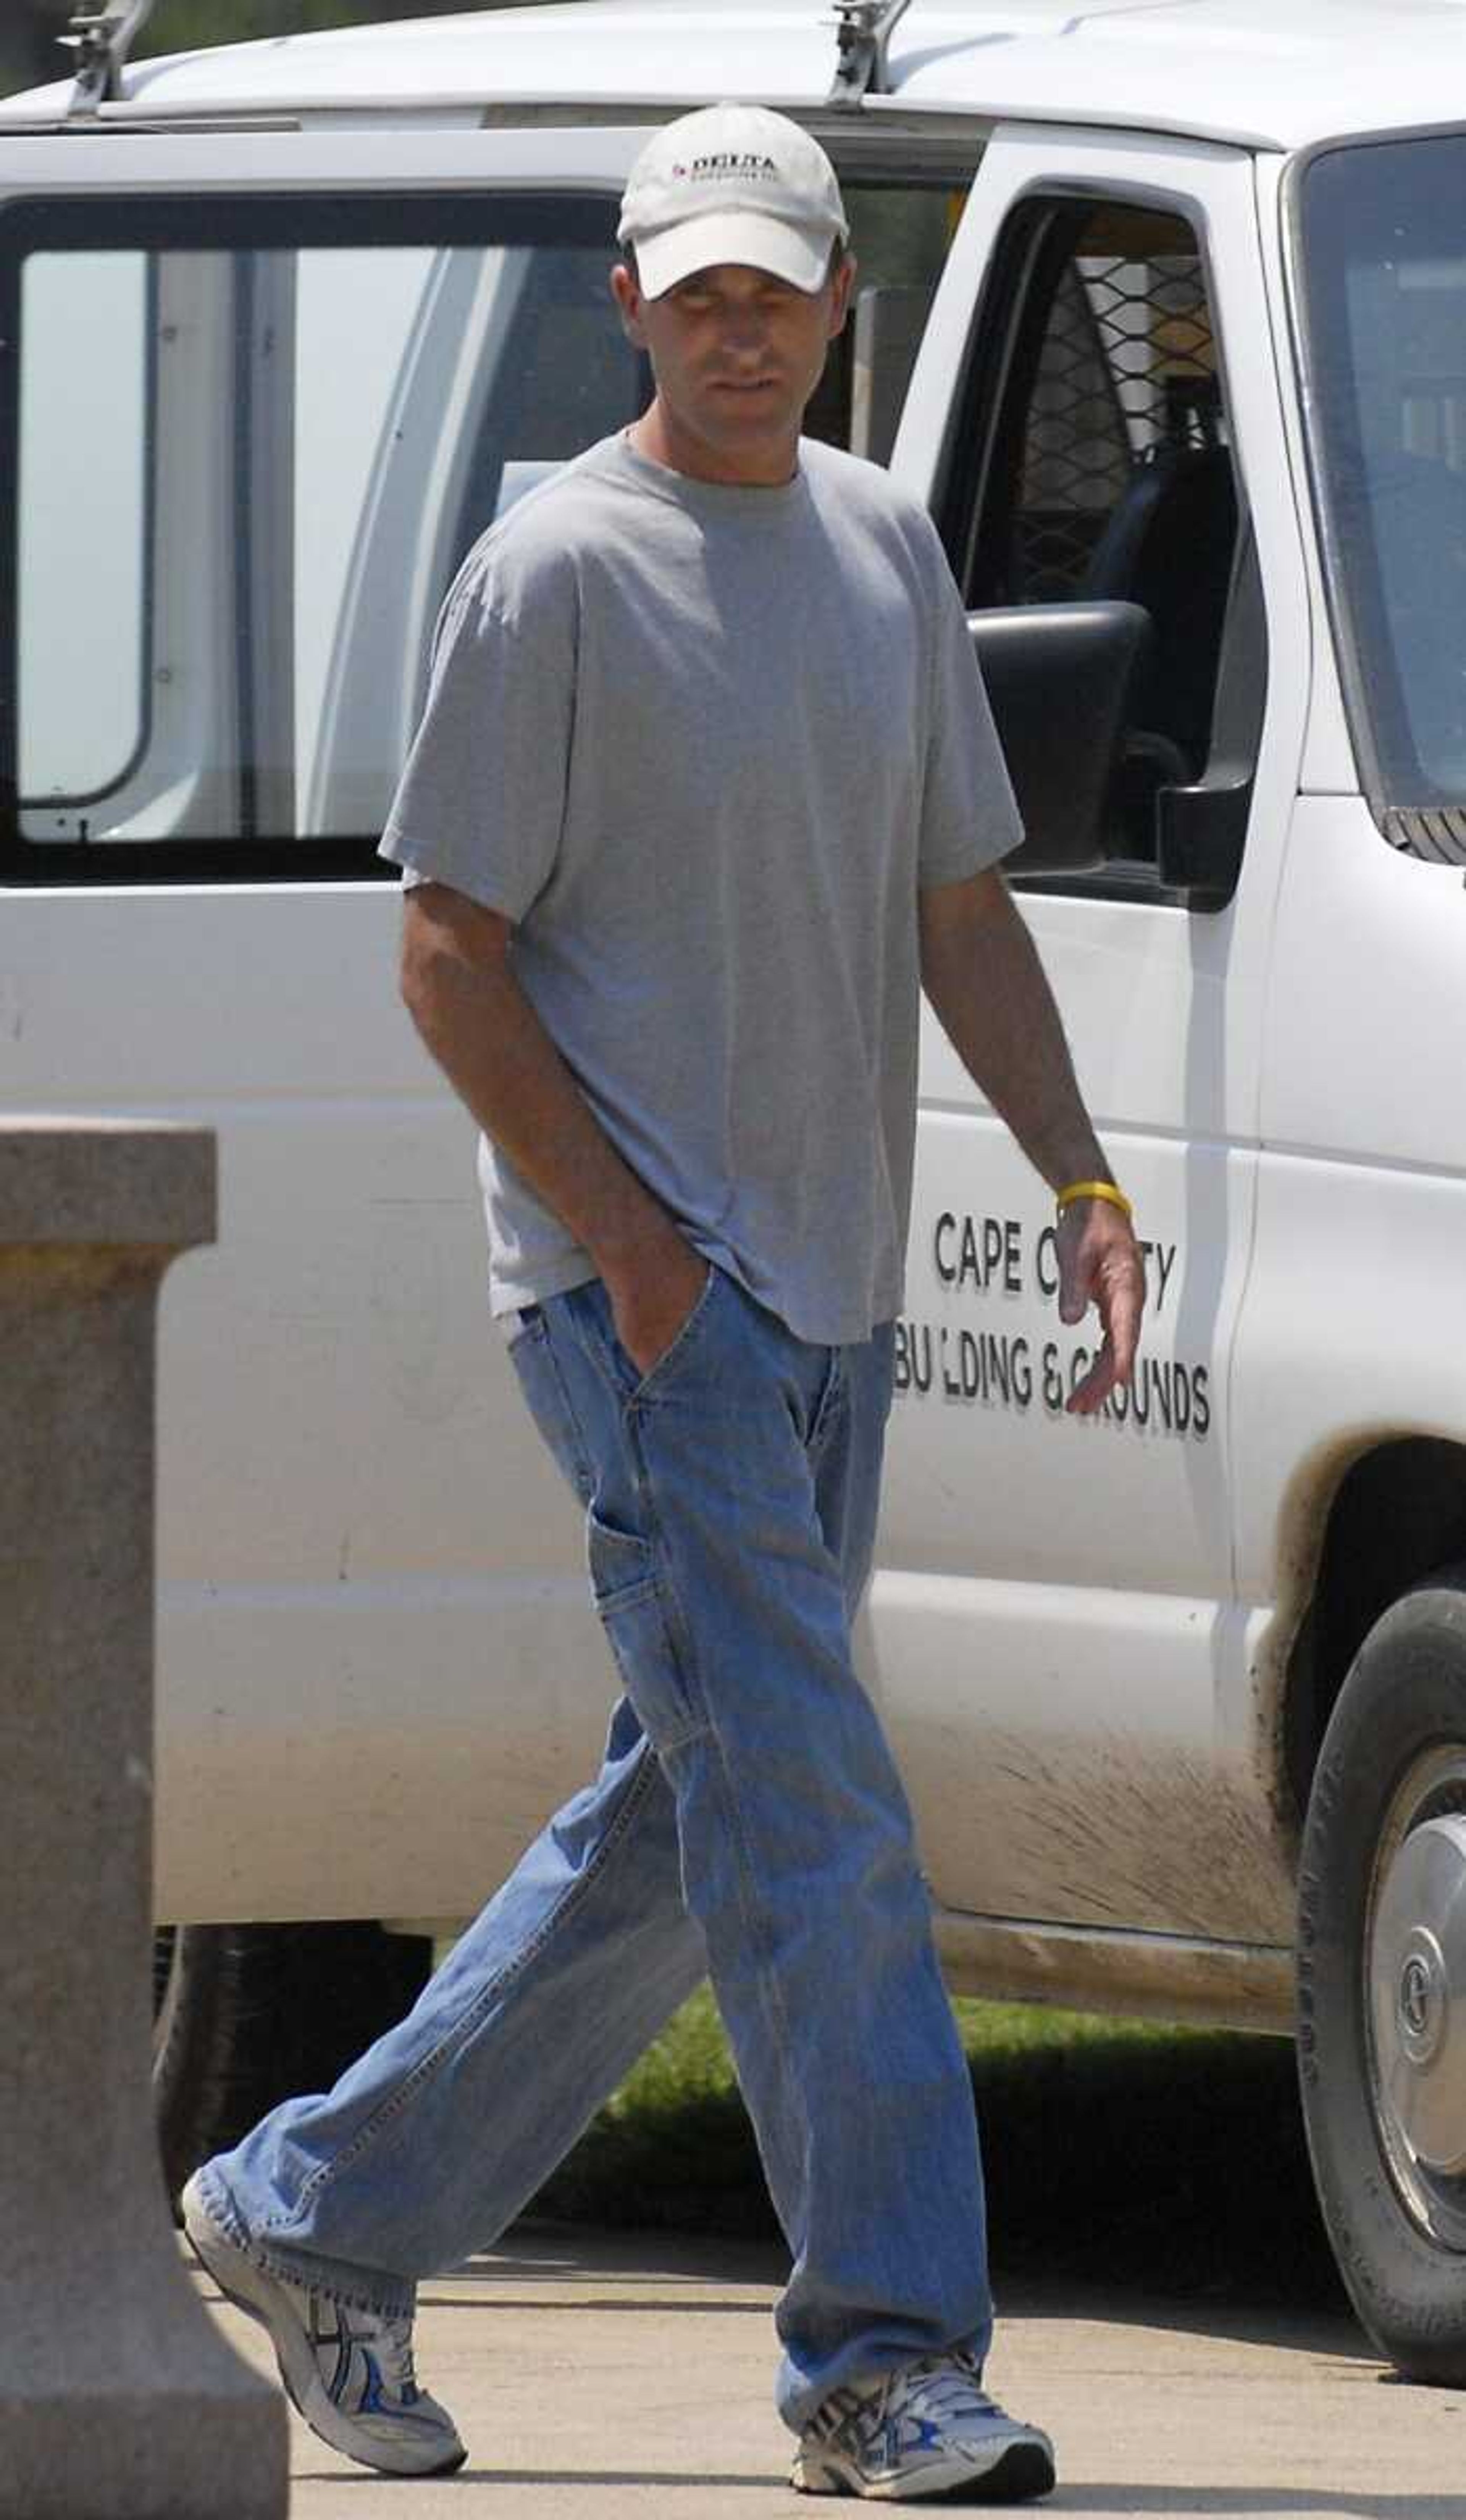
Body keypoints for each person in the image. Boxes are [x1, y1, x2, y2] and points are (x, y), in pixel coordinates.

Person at [182, 101, 1144, 2505]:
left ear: (841, 311)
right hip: (649, 1313)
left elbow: (960, 908)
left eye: (776, 291)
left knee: (698, 1816)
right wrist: (629, 1252)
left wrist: (1085, 1171)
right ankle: (886, 2358)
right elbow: (443, 953)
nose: (737, 329)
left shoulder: (883, 548)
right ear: (629, 300)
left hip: (828, 1301)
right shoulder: (553, 572)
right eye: (694, 290)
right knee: (822, 1823)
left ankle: (316, 2211)